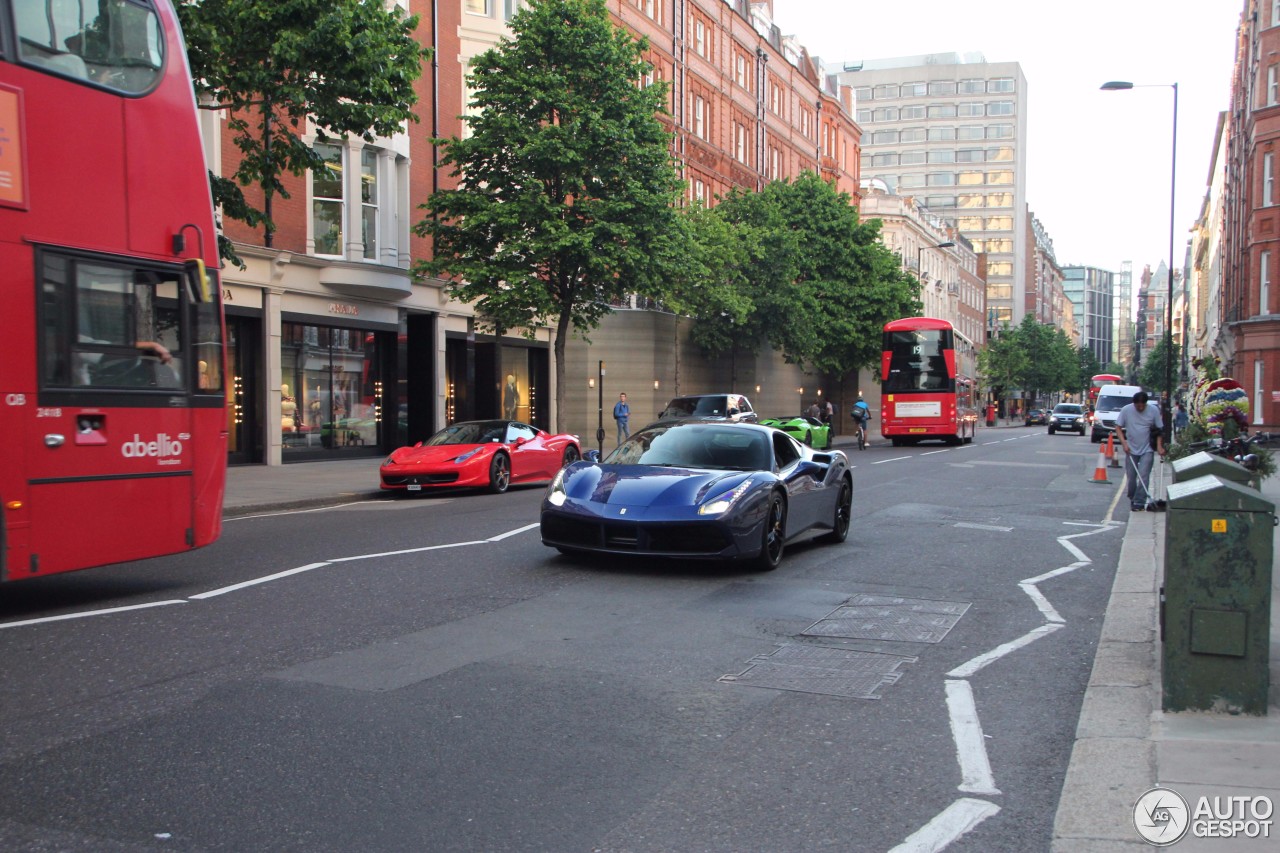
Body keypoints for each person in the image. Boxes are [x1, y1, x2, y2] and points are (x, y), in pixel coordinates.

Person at [1115, 391, 1166, 512]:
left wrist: (1159, 446)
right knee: (1131, 478)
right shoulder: (1126, 410)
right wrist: (1124, 443)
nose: (1141, 408)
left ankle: (1139, 502)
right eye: (1138, 406)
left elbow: (1159, 430)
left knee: (1144, 476)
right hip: (1131, 449)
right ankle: (1133, 497)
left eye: (1143, 405)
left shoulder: (1153, 410)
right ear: (1134, 404)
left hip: (1147, 448)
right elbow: (1118, 427)